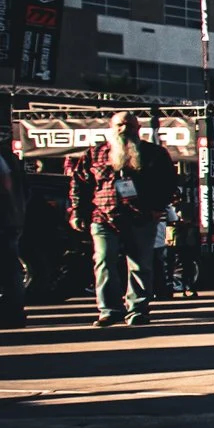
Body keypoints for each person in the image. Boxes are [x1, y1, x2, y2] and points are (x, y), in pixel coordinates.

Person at [71, 112, 177, 327]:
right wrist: (76, 212)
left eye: (129, 125)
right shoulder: (95, 154)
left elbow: (168, 182)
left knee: (140, 265)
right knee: (103, 261)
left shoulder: (153, 153)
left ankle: (137, 310)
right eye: (119, 125)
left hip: (141, 217)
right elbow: (79, 184)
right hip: (102, 217)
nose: (124, 129)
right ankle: (109, 310)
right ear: (111, 127)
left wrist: (158, 209)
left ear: (138, 128)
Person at [0, 140, 26, 329]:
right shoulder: (8, 157)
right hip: (9, 219)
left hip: (5, 220)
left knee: (9, 269)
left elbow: (8, 185)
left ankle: (13, 313)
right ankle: (14, 313)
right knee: (10, 268)